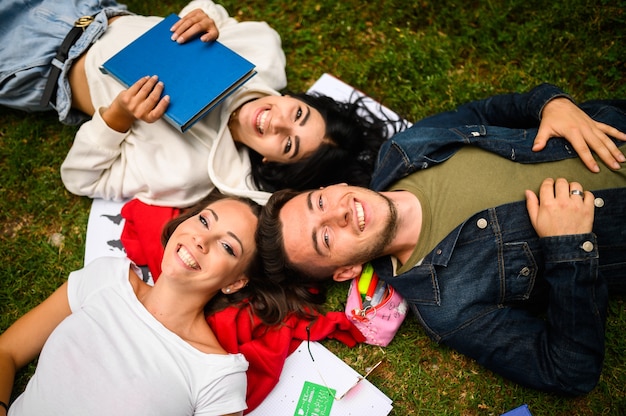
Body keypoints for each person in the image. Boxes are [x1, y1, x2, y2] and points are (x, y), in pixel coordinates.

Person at [255, 84, 626, 396]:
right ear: (345, 270)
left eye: (319, 202)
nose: (340, 213)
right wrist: (570, 246)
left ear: (331, 186)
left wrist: (549, 103)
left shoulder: (404, 148)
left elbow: (482, 112)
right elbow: (567, 371)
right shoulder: (448, 306)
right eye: (325, 237)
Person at [0, 0, 397, 207]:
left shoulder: (187, 172)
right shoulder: (263, 52)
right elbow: (214, 13)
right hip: (90, 9)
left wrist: (117, 117)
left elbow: (81, 179)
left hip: (36, 62)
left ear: (274, 164)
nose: (277, 123)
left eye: (288, 143)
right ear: (295, 98)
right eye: (297, 114)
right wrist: (203, 19)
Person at [0, 194, 282, 415]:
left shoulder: (216, 375)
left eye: (227, 247)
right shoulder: (106, 278)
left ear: (235, 283)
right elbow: (7, 351)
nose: (202, 239)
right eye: (205, 221)